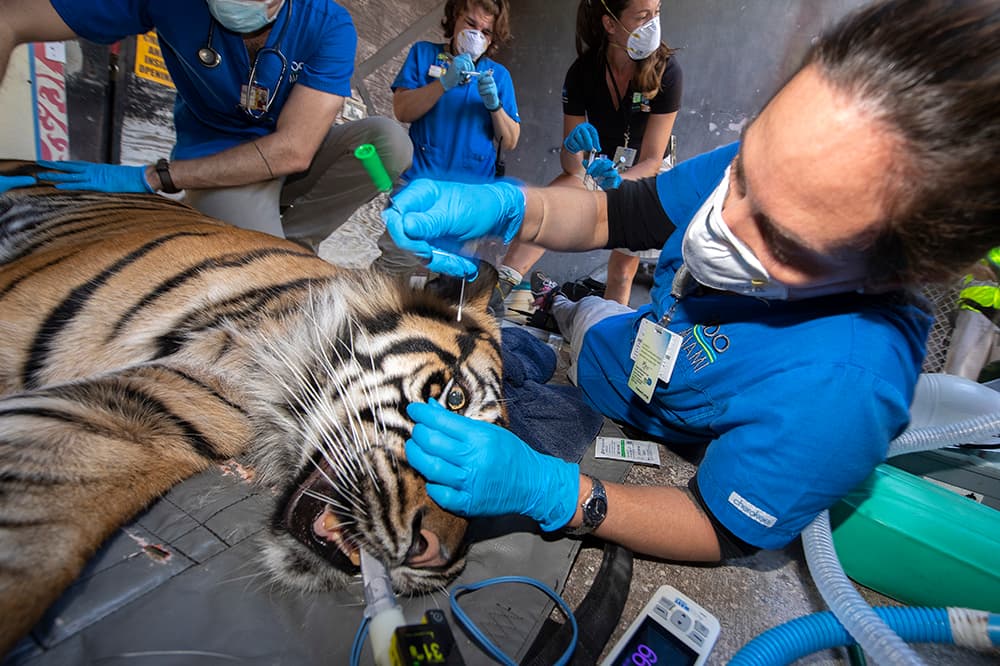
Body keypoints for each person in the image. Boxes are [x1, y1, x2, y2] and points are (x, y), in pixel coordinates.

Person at [382, 0, 1000, 562]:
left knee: (584, 335)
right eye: (747, 166)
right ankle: (569, 309)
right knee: (588, 319)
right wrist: (509, 206)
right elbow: (619, 212)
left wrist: (559, 494)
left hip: (652, 410)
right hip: (627, 339)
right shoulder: (790, 161)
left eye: (780, 237)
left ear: (894, 271)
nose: (720, 221)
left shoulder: (846, 388)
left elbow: (720, 528)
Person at [0, 0, 412, 250]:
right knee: (255, 274)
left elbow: (295, 149)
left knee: (388, 145)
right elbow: (11, 17)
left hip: (294, 155)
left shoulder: (328, 23)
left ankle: (298, 242)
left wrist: (155, 177)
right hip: (220, 162)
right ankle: (268, 248)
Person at [496, 0, 682, 307]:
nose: (653, 24)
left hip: (647, 171)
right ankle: (497, 287)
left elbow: (651, 159)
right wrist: (573, 147)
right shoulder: (583, 72)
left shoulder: (668, 71)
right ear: (611, 24)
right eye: (642, 16)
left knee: (622, 270)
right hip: (600, 162)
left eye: (657, 12)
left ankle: (603, 335)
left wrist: (616, 186)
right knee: (542, 211)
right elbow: (572, 167)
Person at [374, 0, 520, 275]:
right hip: (418, 183)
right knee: (396, 266)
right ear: (454, 18)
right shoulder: (424, 54)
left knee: (445, 277)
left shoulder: (499, 76)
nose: (477, 36)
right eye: (471, 24)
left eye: (486, 32)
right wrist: (442, 84)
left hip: (468, 195)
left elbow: (510, 140)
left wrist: (495, 106)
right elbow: (402, 109)